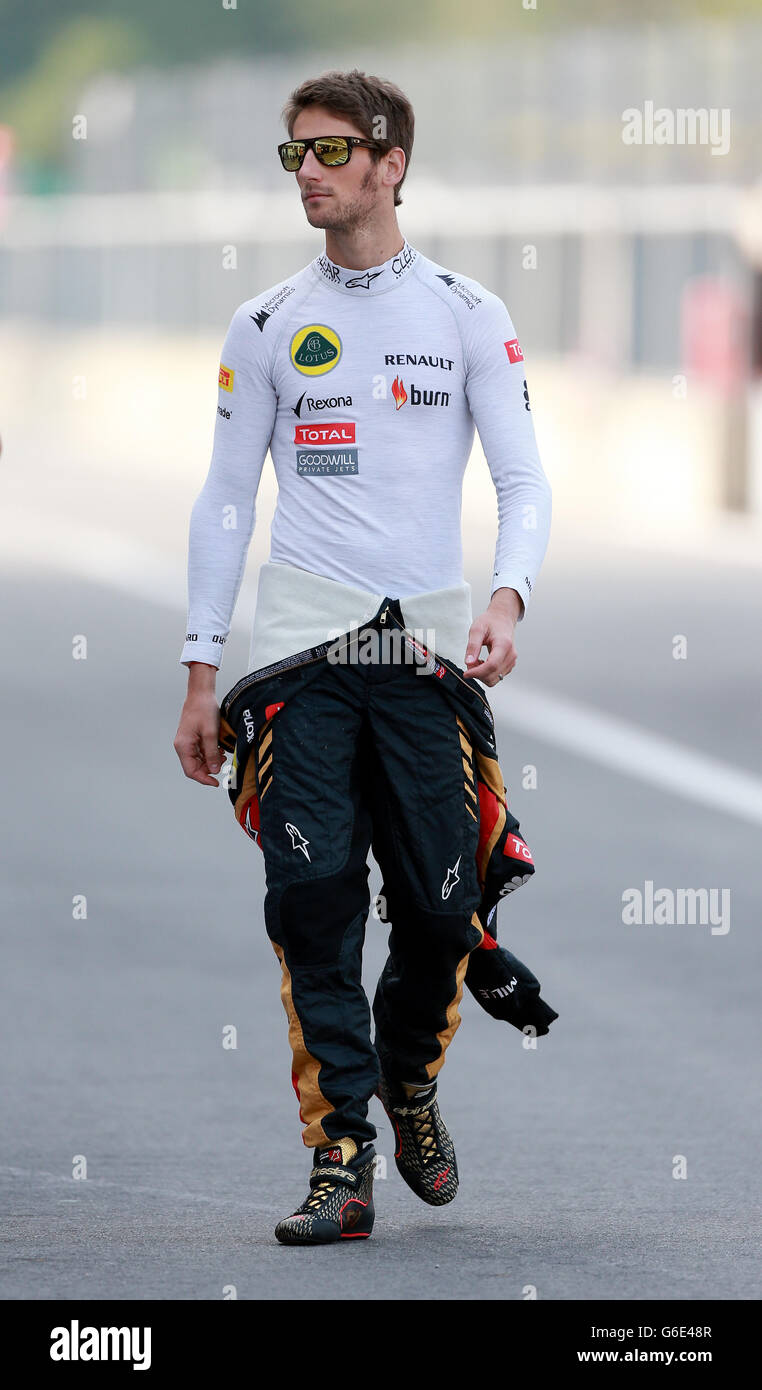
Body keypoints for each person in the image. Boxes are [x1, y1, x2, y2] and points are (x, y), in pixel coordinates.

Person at [174, 69, 553, 1246]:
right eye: (295, 155)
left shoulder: (467, 312)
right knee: (314, 902)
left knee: (444, 915)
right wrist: (200, 667)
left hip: (427, 652)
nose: (311, 174)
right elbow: (227, 501)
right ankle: (341, 1154)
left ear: (392, 164)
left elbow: (524, 479)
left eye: (332, 153)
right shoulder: (267, 323)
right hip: (300, 660)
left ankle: (410, 1083)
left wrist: (507, 596)